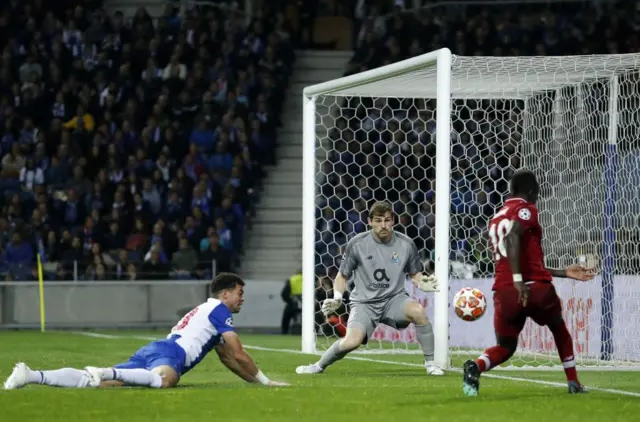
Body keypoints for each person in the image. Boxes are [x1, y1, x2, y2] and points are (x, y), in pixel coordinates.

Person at [3, 273, 289, 389]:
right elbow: (238, 352)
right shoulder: (219, 311)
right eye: (239, 292)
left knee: (94, 384)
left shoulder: (205, 311)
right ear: (225, 294)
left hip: (155, 349)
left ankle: (30, 375)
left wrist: (256, 383)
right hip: (171, 353)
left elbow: (228, 359)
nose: (242, 298)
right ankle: (107, 371)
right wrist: (267, 381)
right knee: (165, 381)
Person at [462, 170, 595, 396]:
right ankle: (573, 382)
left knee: (505, 345)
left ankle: (477, 366)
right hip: (532, 288)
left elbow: (521, 256)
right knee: (558, 328)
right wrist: (519, 281)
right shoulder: (526, 209)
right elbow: (512, 237)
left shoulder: (495, 217)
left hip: (504, 292)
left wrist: (563, 272)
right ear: (532, 192)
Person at [295, 201, 444, 376]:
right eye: (378, 220)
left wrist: (422, 282)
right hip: (364, 304)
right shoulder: (357, 244)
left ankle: (431, 364)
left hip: (394, 300)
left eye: (387, 220)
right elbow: (342, 276)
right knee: (351, 341)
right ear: (370, 221)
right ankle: (318, 366)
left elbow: (414, 274)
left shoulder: (406, 244)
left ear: (393, 221)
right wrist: (337, 297)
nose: (383, 225)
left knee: (418, 311)